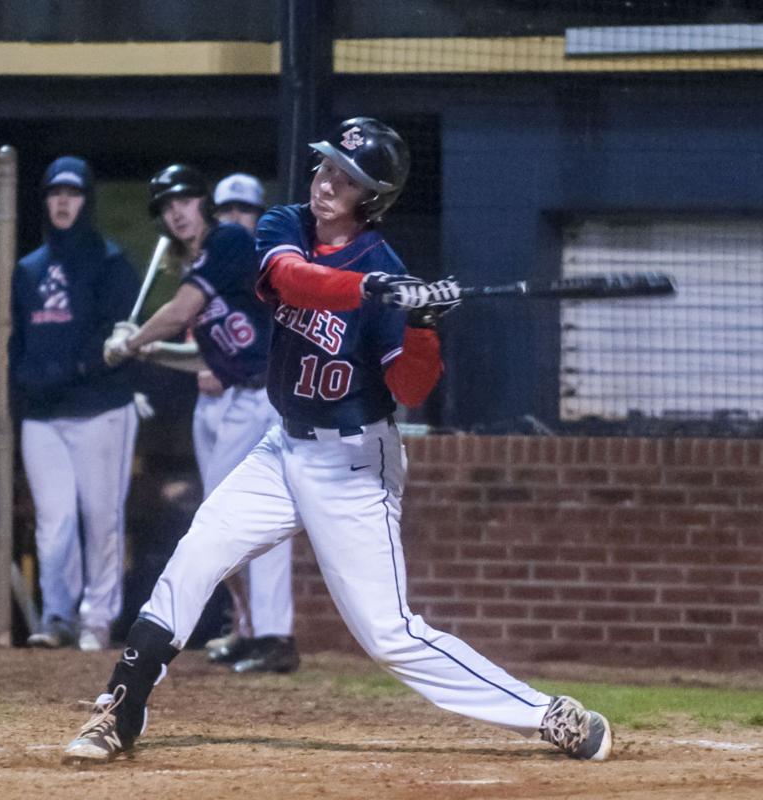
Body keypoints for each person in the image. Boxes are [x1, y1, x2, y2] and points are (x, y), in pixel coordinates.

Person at [62, 118, 612, 764]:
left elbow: (408, 383)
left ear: (370, 199)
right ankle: (120, 710)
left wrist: (422, 323)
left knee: (388, 633)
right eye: (327, 168)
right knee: (196, 555)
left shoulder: (387, 271)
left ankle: (548, 714)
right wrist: (369, 289)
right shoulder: (284, 226)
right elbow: (292, 281)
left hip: (354, 462)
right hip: (281, 446)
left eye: (346, 180)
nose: (326, 184)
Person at [106, 166, 298, 674]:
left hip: (269, 399)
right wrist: (144, 353)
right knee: (220, 518)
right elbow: (205, 358)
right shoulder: (198, 264)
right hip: (238, 396)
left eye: (185, 200)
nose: (177, 211)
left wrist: (131, 340)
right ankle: (250, 629)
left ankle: (274, 635)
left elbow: (178, 310)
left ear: (202, 204)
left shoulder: (230, 240)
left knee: (258, 519)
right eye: (167, 207)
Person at [11, 156, 140, 652]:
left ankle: (98, 618)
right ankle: (57, 613)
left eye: (72, 193)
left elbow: (117, 337)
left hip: (100, 408)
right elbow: (17, 341)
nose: (62, 202)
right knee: (55, 520)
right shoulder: (28, 269)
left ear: (87, 200)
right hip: (44, 414)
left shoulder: (110, 262)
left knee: (102, 516)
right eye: (54, 193)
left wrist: (77, 370)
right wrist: (25, 382)